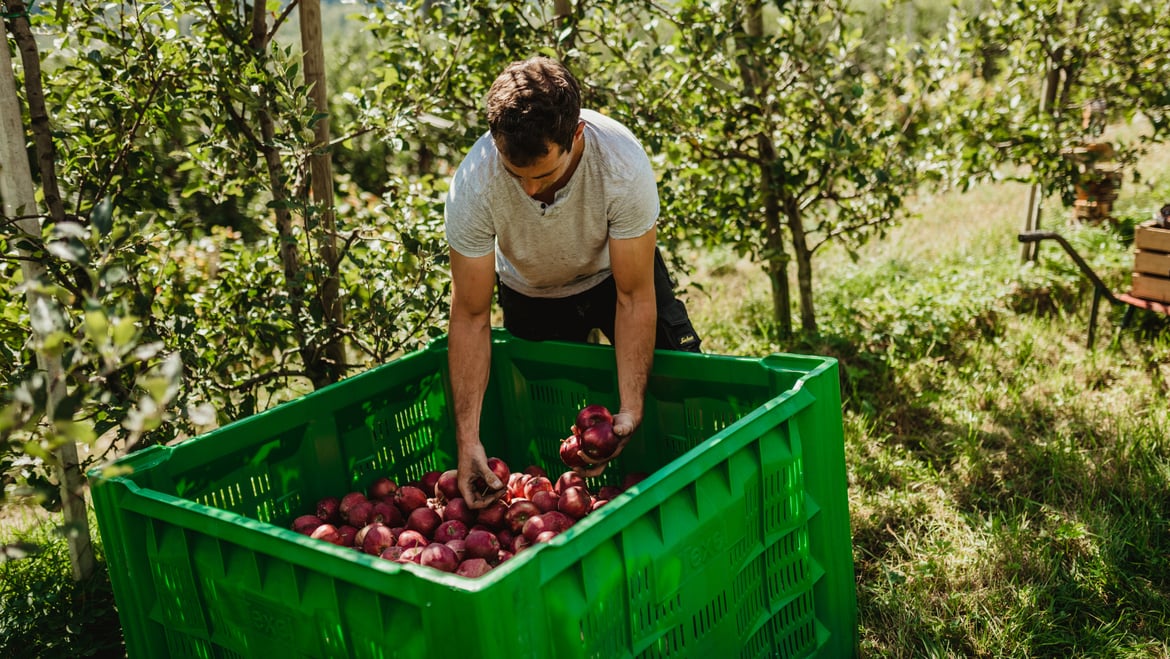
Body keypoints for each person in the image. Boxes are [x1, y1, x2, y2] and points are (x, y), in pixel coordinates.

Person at [444, 56, 701, 508]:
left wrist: (631, 405)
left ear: (576, 134)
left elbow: (634, 293)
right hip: (533, 288)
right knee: (551, 407)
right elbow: (469, 315)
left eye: (542, 175)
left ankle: (687, 492)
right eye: (513, 173)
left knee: (675, 380)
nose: (527, 190)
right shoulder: (475, 183)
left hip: (612, 274)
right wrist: (468, 442)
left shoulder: (620, 164)